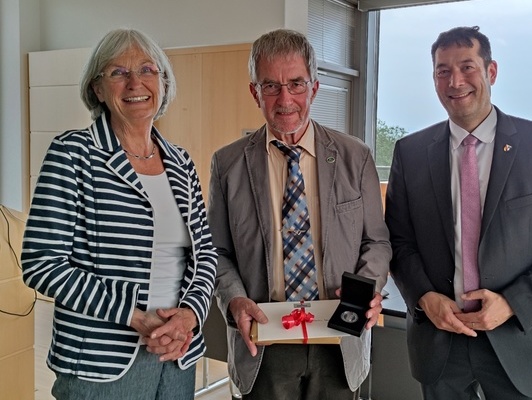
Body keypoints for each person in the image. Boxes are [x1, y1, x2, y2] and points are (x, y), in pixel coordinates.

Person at [385, 25, 532, 400]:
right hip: (440, 342)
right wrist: (423, 296)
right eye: (443, 70)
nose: (455, 81)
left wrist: (514, 303)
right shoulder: (410, 153)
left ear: (491, 71)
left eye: (467, 67)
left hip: (520, 341)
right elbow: (399, 241)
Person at [21, 28, 217, 400]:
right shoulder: (73, 154)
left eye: (147, 69)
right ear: (97, 89)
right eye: (117, 73)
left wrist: (190, 315)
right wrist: (133, 316)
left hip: (178, 356)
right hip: (99, 363)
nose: (134, 83)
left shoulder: (180, 161)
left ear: (163, 82)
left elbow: (205, 253)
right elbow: (41, 262)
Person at [208, 29, 391, 399]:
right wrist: (232, 299)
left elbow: (377, 242)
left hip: (339, 340)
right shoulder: (227, 164)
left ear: (315, 88)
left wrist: (366, 289)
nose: (285, 99)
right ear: (254, 92)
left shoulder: (355, 157)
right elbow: (216, 253)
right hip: (263, 343)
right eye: (271, 86)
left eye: (296, 84)